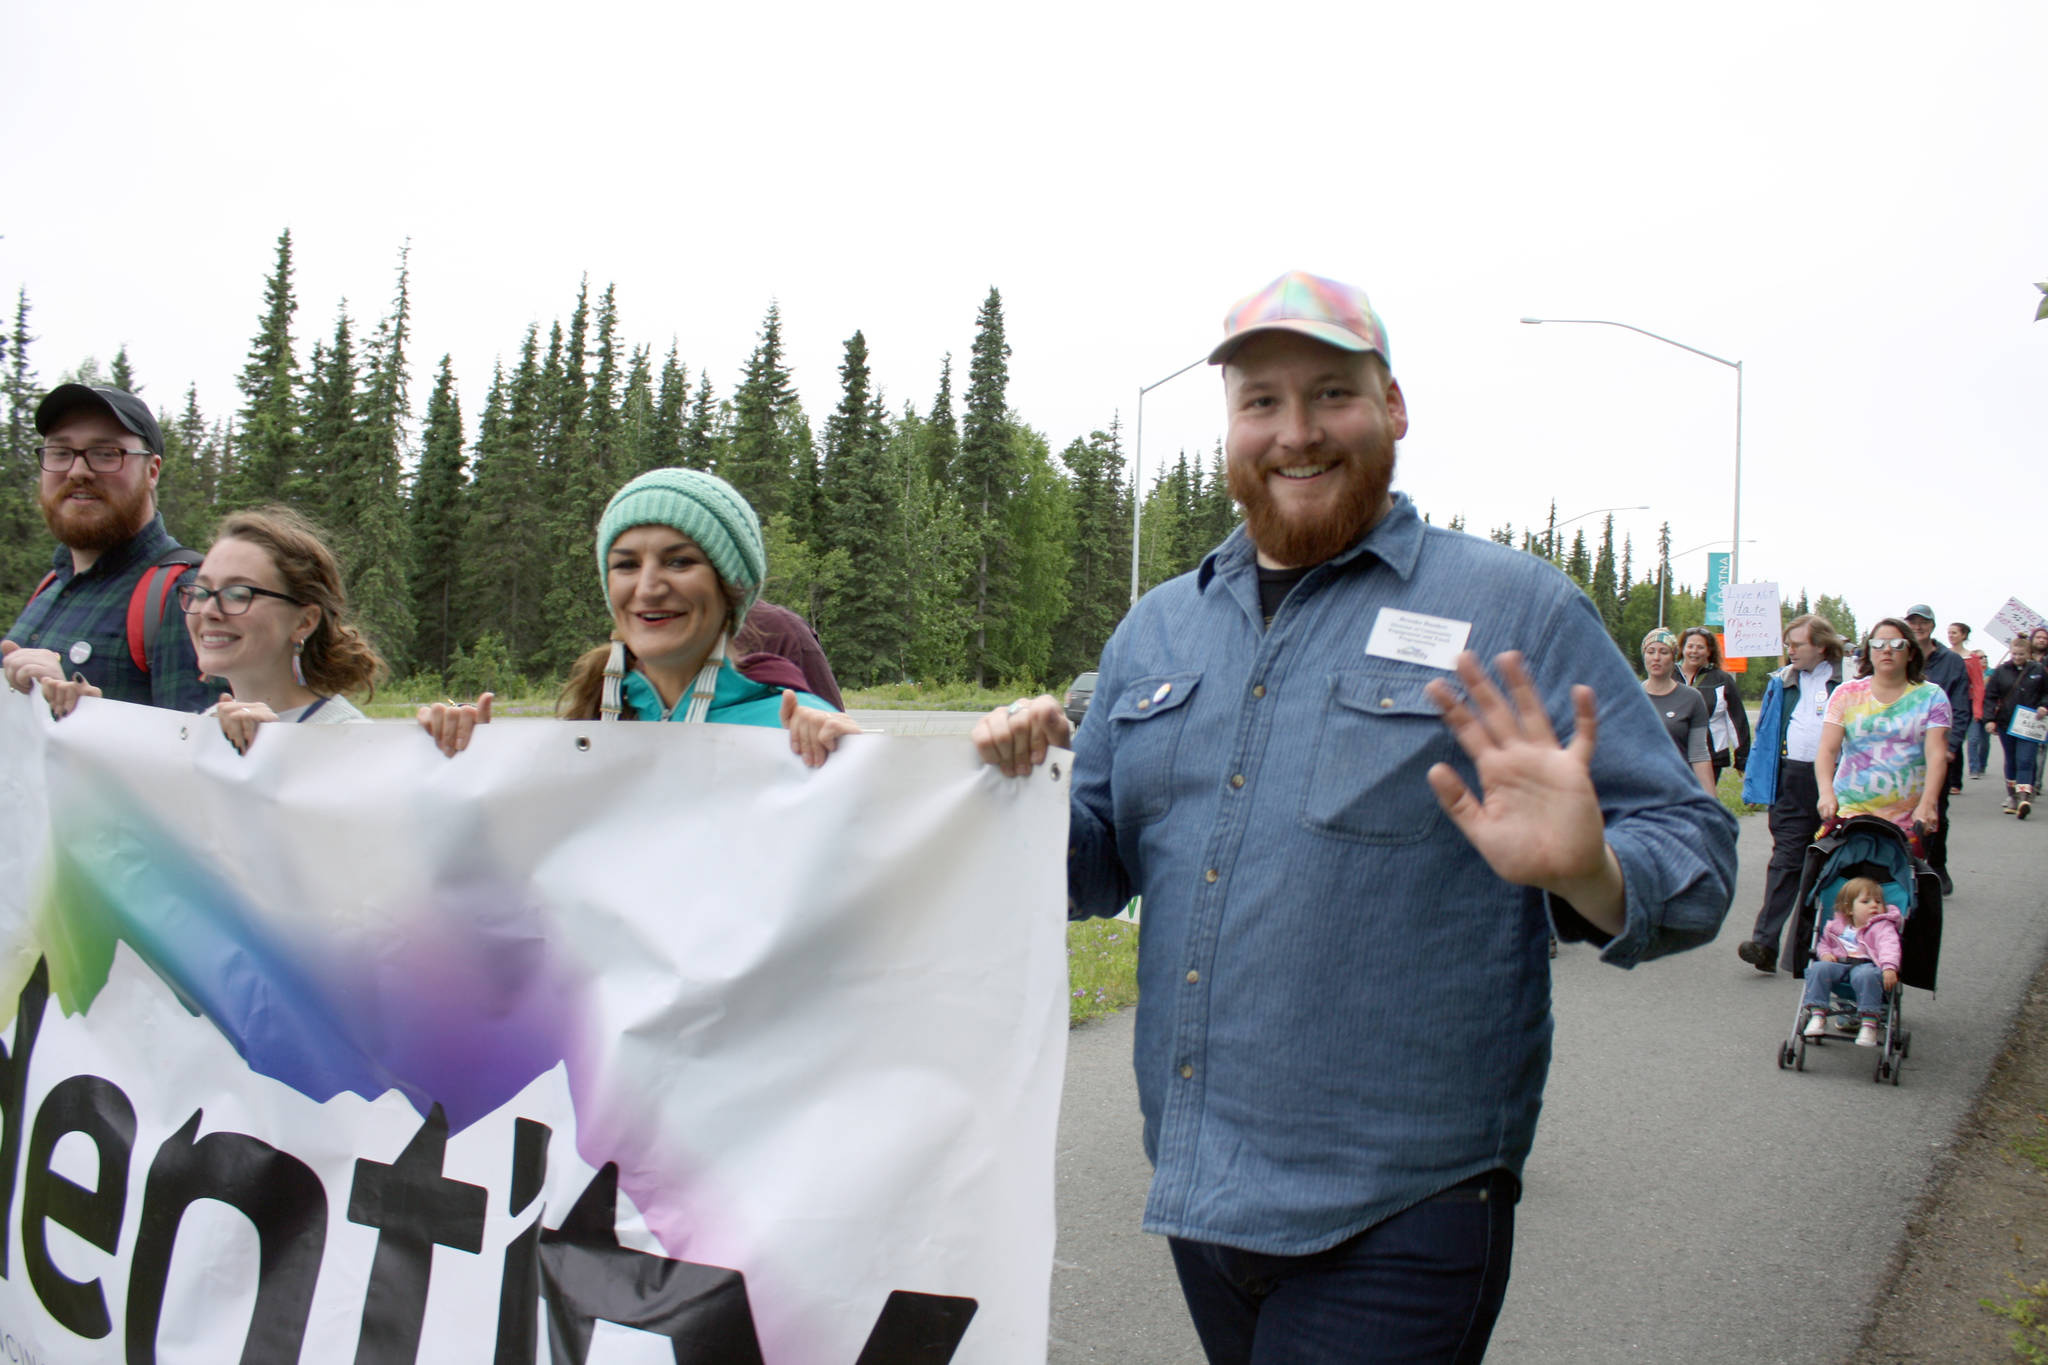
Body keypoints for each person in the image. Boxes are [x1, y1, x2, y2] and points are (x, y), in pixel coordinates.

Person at [973, 270, 1738, 1363]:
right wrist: (1013, 790)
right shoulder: (1155, 633)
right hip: (1199, 1186)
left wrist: (1590, 872)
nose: (1295, 432)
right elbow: (1092, 869)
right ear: (1231, 425)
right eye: (1261, 402)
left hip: (1403, 1200)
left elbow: (1695, 852)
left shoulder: (1511, 610)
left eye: (1330, 393)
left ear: (1392, 408)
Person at [417, 467, 859, 765]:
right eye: (626, 565)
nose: (648, 587)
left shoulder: (795, 731)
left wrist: (854, 761)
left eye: (680, 562)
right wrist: (463, 761)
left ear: (732, 587)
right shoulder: (583, 731)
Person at [2, 385, 208, 712]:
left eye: (106, 453)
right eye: (60, 452)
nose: (78, 471)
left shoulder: (186, 595)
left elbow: (200, 754)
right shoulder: (51, 586)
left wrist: (84, 715)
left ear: (152, 471)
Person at [1738, 614, 1846, 973]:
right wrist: (1756, 781)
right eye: (1788, 644)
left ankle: (1810, 949)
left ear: (1821, 645)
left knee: (1828, 865)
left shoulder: (1847, 683)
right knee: (1785, 861)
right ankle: (1764, 943)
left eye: (1796, 644)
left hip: (1835, 783)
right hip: (1791, 779)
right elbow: (1766, 734)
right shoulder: (1781, 683)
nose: (1790, 651)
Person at [1816, 618, 1950, 839]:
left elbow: (1936, 754)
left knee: (1900, 872)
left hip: (1908, 816)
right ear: (1868, 651)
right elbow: (1827, 749)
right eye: (1878, 644)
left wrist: (1928, 803)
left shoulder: (1932, 697)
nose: (1887, 650)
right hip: (1851, 810)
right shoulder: (1846, 693)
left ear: (1911, 653)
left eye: (1897, 644)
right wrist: (1826, 793)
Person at [1903, 605, 1967, 894]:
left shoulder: (1951, 661)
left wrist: (1951, 746)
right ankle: (1910, 866)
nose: (1918, 627)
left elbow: (1961, 706)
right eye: (1913, 622)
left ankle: (1936, 864)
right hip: (1904, 749)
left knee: (1935, 809)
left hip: (1938, 747)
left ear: (1932, 625)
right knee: (1903, 809)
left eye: (1923, 622)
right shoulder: (1902, 655)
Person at [1799, 877, 1902, 1048]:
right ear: (1849, 909)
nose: (1874, 905)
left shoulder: (1882, 927)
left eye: (1878, 901)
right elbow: (1824, 944)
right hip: (1839, 964)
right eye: (1866, 902)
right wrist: (1825, 954)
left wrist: (1889, 968)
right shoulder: (1836, 926)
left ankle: (1869, 1024)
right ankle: (1818, 1014)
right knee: (1818, 968)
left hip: (1866, 964)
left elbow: (1889, 947)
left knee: (1867, 974)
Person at [1641, 627, 1716, 795]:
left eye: (1664, 652)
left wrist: (1711, 803)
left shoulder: (1692, 698)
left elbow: (1699, 754)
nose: (1656, 658)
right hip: (1639, 792)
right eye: (1651, 651)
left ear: (1674, 657)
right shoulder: (1630, 696)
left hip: (1678, 790)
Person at [1677, 625, 1751, 781]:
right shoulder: (1668, 676)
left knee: (1701, 800)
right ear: (1682, 649)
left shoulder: (1722, 680)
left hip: (1710, 756)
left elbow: (1737, 722)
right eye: (1690, 646)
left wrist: (1742, 759)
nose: (1694, 651)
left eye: (1700, 647)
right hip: (1675, 753)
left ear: (1709, 651)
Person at [1985, 633, 2046, 818]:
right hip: (2006, 722)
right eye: (2015, 654)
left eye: (2021, 654)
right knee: (2011, 760)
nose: (2017, 657)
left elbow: (2046, 692)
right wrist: (1989, 719)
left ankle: (2024, 796)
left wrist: (2044, 706)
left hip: (2030, 724)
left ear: (2029, 653)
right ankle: (2012, 795)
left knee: (2026, 760)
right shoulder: (2001, 671)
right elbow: (1990, 696)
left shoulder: (2039, 670)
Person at [1952, 623, 1990, 782]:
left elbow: (1979, 684)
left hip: (1968, 701)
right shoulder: (1945, 655)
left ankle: (1975, 768)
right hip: (1951, 702)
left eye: (1954, 632)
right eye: (1949, 632)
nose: (1951, 635)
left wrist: (1977, 710)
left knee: (1974, 738)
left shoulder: (1972, 658)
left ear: (1963, 635)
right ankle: (1953, 778)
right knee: (1953, 741)